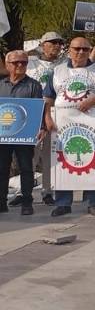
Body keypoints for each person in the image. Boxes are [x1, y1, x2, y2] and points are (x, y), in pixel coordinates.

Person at [43, 36, 95, 217]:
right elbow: (48, 98)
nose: (81, 52)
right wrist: (47, 119)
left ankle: (92, 202)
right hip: (61, 126)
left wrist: (93, 101)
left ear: (90, 51)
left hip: (91, 123)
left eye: (85, 49)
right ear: (69, 50)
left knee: (92, 159)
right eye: (77, 49)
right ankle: (63, 203)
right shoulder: (57, 71)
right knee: (63, 162)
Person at [13, 31, 65, 207]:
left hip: (53, 113)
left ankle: (47, 192)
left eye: (59, 43)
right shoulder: (31, 62)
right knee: (28, 155)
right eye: (52, 42)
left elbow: (90, 62)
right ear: (43, 45)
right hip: (32, 112)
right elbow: (13, 63)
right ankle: (23, 192)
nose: (56, 45)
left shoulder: (64, 63)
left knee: (50, 155)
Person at [0, 50, 44, 215]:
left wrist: (41, 128)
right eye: (16, 62)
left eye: (24, 63)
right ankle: (1, 202)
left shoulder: (34, 85)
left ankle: (27, 202)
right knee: (1, 169)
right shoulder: (0, 84)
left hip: (25, 134)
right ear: (7, 65)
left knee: (26, 168)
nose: (20, 65)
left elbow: (38, 109)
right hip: (3, 135)